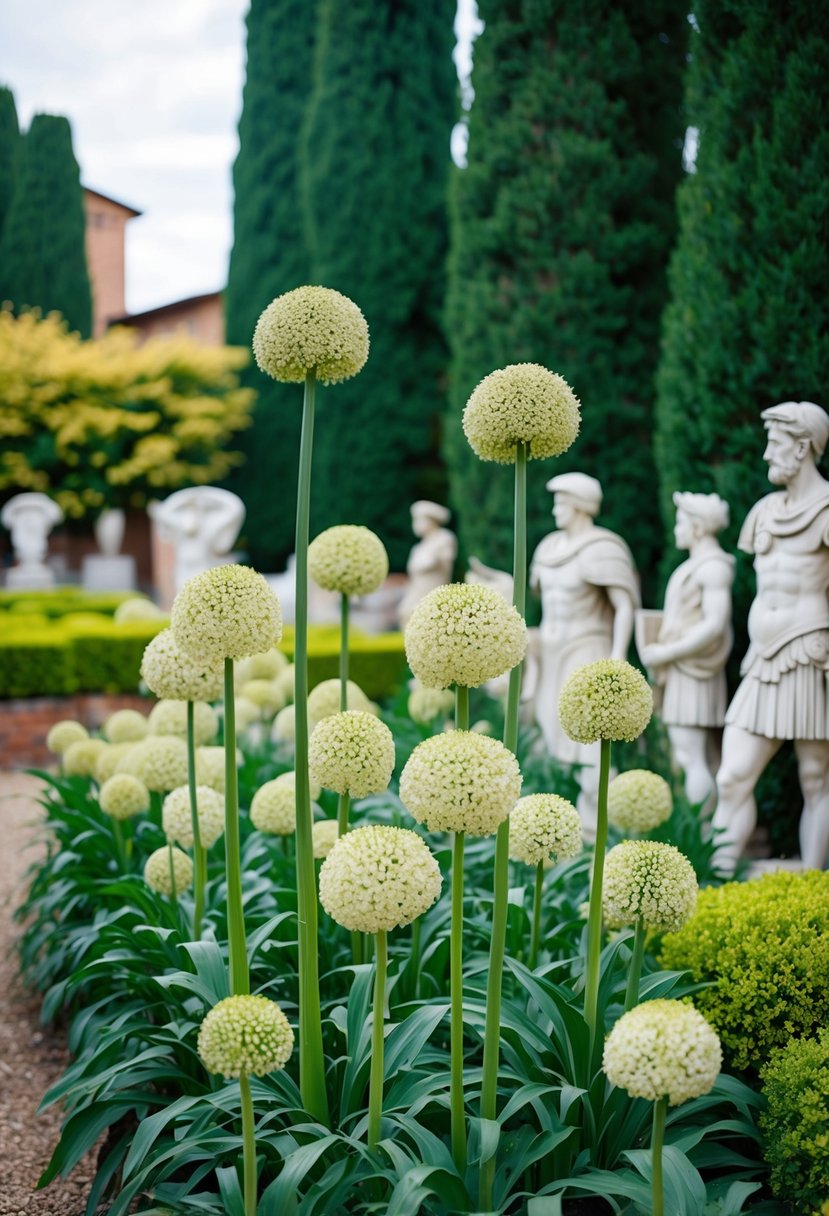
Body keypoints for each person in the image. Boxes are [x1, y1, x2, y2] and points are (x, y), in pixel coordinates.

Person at [712, 401, 829, 873]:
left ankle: (815, 882)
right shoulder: (763, 512)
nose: (764, 456)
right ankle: (714, 885)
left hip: (810, 654)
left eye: (775, 444)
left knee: (816, 777)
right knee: (731, 776)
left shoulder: (826, 510)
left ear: (802, 448)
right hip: (762, 659)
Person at [530, 472, 640, 835]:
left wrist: (618, 657)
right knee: (551, 728)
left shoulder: (603, 548)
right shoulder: (547, 548)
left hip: (586, 650)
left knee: (589, 741)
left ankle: (600, 826)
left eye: (561, 502)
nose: (555, 509)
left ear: (579, 506)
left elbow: (625, 606)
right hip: (550, 652)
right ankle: (580, 824)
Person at [641, 492, 734, 810]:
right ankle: (708, 832)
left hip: (692, 669)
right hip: (685, 668)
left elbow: (715, 625)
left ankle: (703, 834)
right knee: (697, 756)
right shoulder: (698, 566)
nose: (675, 528)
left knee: (690, 755)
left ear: (697, 527)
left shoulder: (712, 568)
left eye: (681, 522)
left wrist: (667, 653)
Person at [397, 501, 457, 628]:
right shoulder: (418, 548)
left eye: (419, 520)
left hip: (433, 594)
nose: (416, 525)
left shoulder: (444, 538)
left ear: (431, 521)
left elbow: (446, 565)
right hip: (416, 593)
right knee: (405, 613)